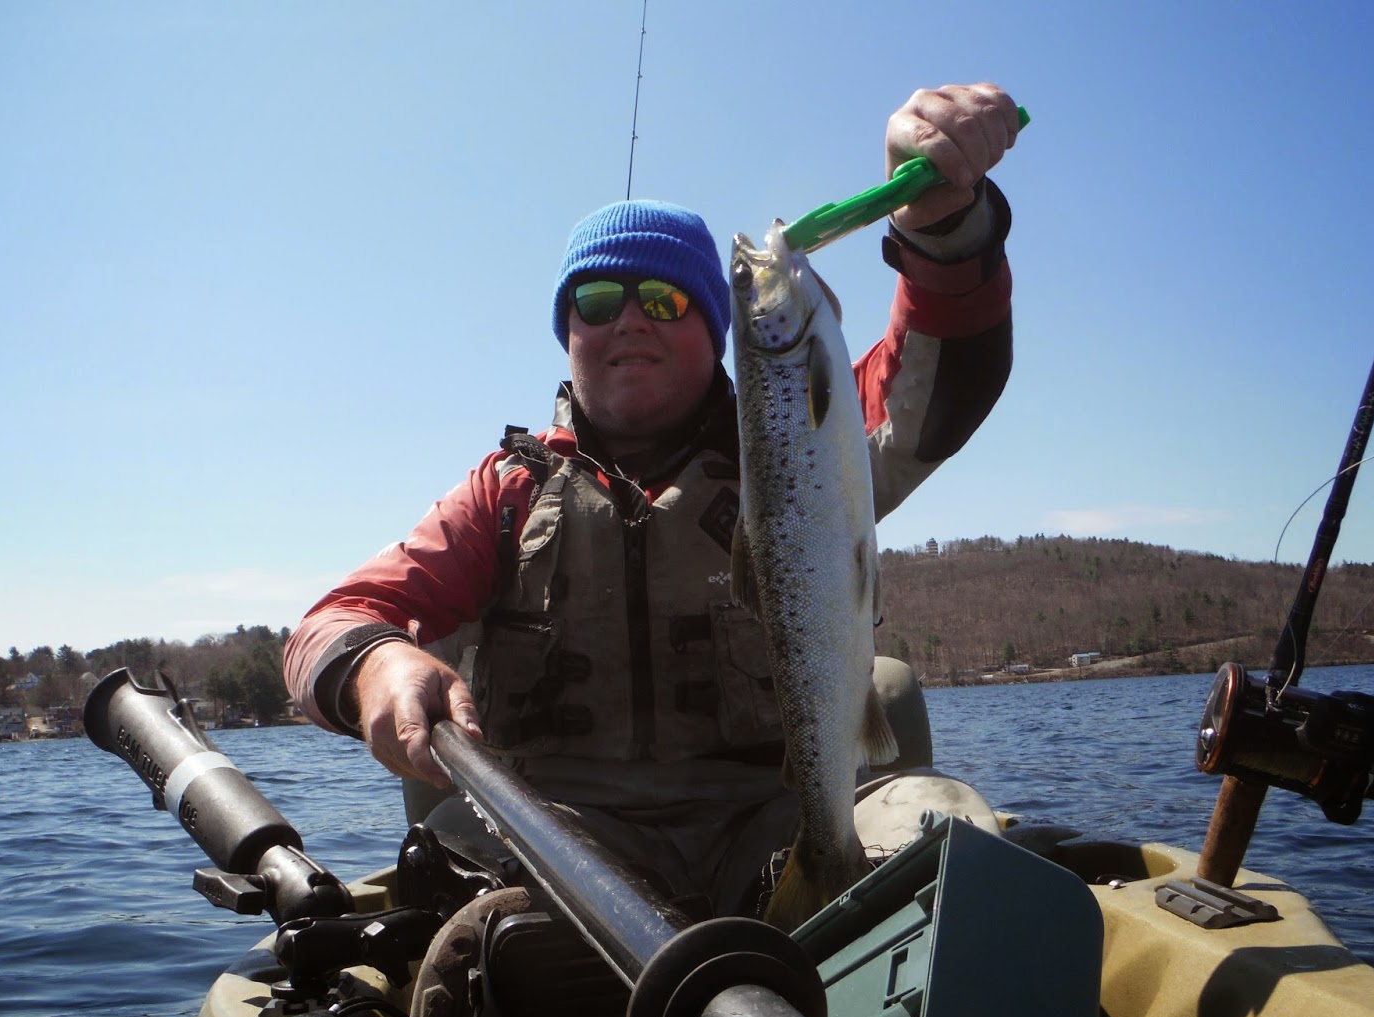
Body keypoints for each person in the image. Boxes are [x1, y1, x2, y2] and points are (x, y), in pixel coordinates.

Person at [284, 83, 1021, 919]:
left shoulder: (805, 445)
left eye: (666, 300)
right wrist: (376, 661)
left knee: (958, 842)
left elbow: (936, 387)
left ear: (717, 331)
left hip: (777, 819)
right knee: (477, 935)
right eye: (598, 302)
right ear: (568, 335)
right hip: (563, 842)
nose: (629, 319)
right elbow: (326, 625)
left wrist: (943, 232)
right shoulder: (502, 496)